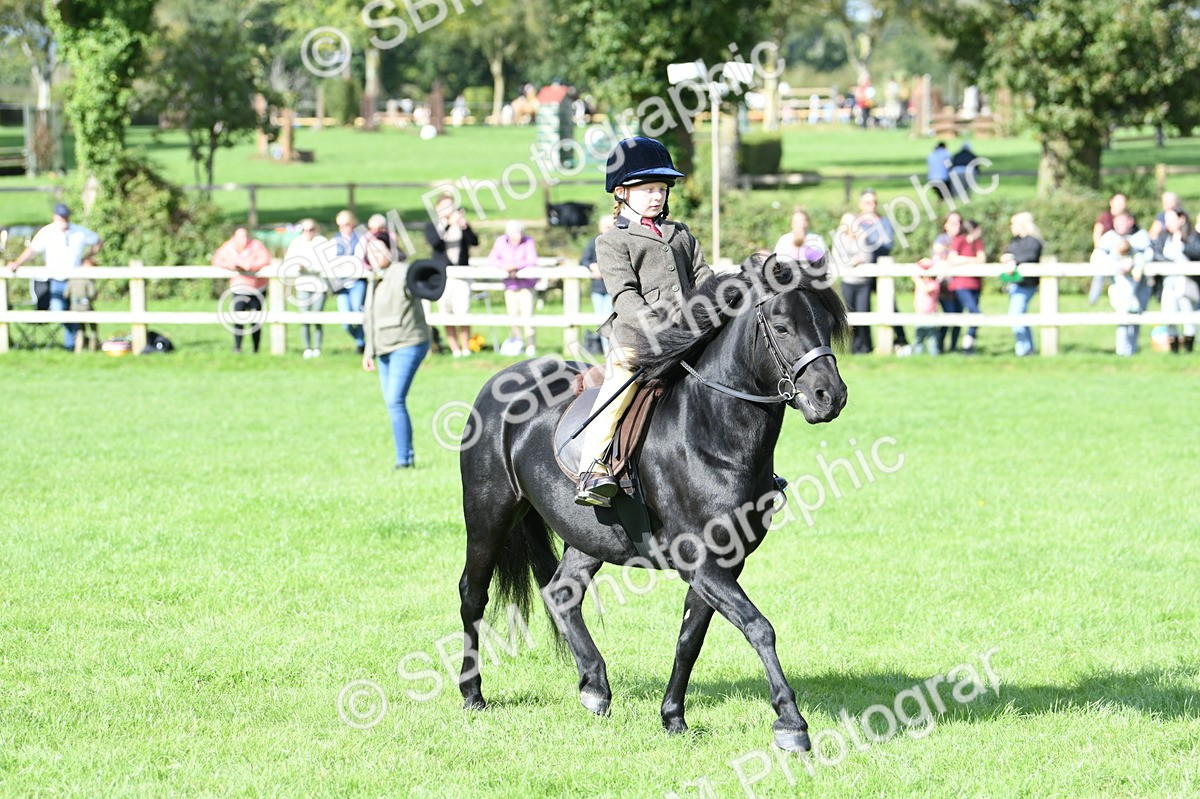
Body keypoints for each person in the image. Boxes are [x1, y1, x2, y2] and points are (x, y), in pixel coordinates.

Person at [575, 136, 713, 506]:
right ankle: (593, 467)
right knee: (617, 387)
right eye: (648, 189)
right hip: (639, 338)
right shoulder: (612, 241)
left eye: (661, 189)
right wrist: (661, 329)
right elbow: (625, 296)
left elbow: (703, 279)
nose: (657, 197)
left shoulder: (680, 233)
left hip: (690, 335)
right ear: (622, 192)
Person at [362, 242, 431, 469]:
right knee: (392, 402)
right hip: (382, 348)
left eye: (379, 249)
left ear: (391, 250)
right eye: (370, 251)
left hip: (408, 343)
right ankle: (405, 457)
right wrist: (368, 351)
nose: (375, 254)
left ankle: (404, 460)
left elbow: (420, 283)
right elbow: (369, 318)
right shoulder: (375, 278)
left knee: (395, 400)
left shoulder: (402, 272)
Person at [6, 203, 102, 350]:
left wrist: (87, 258)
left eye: (66, 216)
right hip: (55, 279)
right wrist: (17, 263)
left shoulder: (79, 231)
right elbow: (32, 250)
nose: (64, 219)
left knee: (78, 310)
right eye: (61, 216)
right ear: (55, 217)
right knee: (58, 311)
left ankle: (73, 346)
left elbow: (97, 241)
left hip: (75, 280)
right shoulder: (47, 232)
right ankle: (76, 340)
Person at [854, 189, 909, 353]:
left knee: (890, 304)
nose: (872, 206)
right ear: (860, 205)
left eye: (874, 202)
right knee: (862, 307)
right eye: (868, 202)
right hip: (863, 270)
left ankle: (902, 340)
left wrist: (869, 238)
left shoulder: (883, 221)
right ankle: (863, 346)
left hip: (881, 266)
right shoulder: (855, 222)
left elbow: (888, 243)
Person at [425, 193, 479, 358]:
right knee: (446, 312)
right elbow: (435, 243)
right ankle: (454, 349)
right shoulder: (433, 226)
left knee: (463, 311)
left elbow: (474, 242)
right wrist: (448, 224)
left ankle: (465, 348)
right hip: (443, 275)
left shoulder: (460, 224)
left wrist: (465, 227)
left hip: (461, 274)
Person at [212, 227, 272, 353]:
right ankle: (237, 348)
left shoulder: (256, 246)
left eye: (245, 236)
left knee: (255, 321)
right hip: (239, 288)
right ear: (234, 237)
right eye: (240, 237)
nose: (243, 239)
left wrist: (250, 267)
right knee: (238, 319)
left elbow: (265, 259)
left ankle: (256, 349)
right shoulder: (228, 247)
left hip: (257, 288)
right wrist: (230, 266)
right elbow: (216, 260)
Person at [488, 220, 539, 356]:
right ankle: (517, 344)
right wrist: (505, 265)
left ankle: (530, 345)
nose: (517, 239)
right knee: (513, 316)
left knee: (527, 315)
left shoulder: (528, 241)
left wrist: (515, 265)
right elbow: (492, 259)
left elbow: (532, 260)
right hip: (510, 285)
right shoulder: (501, 241)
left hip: (526, 284)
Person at [1152, 207, 1200, 353]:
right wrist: (1171, 264)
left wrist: (1182, 244)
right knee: (1169, 315)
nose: (1168, 223)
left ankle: (1188, 350)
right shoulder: (1164, 237)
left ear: (1181, 219)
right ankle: (1174, 351)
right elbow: (1156, 254)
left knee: (1187, 315)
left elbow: (1197, 252)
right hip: (1169, 282)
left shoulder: (1192, 236)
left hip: (1186, 283)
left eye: (1171, 219)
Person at [998, 212, 1043, 357]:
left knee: (1015, 316)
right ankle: (1027, 348)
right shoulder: (1015, 241)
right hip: (1015, 284)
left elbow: (1029, 256)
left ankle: (1022, 350)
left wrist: (1013, 259)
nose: (1011, 227)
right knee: (1020, 315)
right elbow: (1007, 254)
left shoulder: (1033, 241)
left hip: (1026, 284)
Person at [284, 219, 330, 358]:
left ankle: (317, 348)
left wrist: (308, 267)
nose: (308, 233)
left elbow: (325, 264)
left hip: (319, 285)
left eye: (311, 229)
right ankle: (307, 347)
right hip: (302, 284)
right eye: (304, 230)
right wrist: (298, 267)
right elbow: (288, 262)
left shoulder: (322, 242)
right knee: (304, 317)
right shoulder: (296, 242)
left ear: (316, 229)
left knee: (316, 317)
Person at [942, 212, 986, 353]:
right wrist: (972, 260)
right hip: (961, 284)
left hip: (975, 284)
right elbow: (953, 258)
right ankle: (964, 342)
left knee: (969, 314)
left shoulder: (977, 243)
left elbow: (982, 259)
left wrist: (965, 261)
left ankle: (964, 344)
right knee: (972, 313)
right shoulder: (960, 240)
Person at [833, 212, 873, 354]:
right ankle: (853, 348)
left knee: (864, 312)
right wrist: (853, 261)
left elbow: (867, 256)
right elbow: (838, 258)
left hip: (863, 281)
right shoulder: (839, 237)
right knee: (850, 315)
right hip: (848, 280)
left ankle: (865, 346)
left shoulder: (863, 236)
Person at [1089, 193, 1136, 304]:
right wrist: (1099, 250)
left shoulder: (1128, 216)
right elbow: (1098, 232)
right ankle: (1093, 299)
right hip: (1107, 252)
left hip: (1123, 253)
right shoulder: (1105, 217)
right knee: (1099, 276)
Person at [330, 210, 366, 353]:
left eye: (346, 224)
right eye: (340, 225)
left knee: (358, 311)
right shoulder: (334, 240)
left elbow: (359, 260)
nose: (343, 228)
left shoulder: (361, 238)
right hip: (342, 284)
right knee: (345, 320)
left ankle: (361, 344)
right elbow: (332, 261)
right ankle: (361, 340)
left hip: (357, 282)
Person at [581, 215, 616, 355]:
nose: (608, 229)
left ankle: (609, 348)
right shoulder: (593, 242)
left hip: (611, 288)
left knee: (608, 317)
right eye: (606, 226)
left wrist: (604, 268)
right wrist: (592, 266)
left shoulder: (617, 242)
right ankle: (604, 347)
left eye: (610, 226)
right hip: (597, 288)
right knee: (599, 318)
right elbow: (583, 260)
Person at [912, 249, 942, 355]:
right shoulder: (922, 281)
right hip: (919, 313)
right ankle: (918, 355)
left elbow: (925, 289)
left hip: (931, 313)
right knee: (919, 337)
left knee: (932, 337)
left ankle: (934, 354)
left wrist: (916, 279)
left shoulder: (934, 283)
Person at [68, 257, 99, 353]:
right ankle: (93, 347)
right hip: (86, 307)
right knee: (93, 326)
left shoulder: (72, 279)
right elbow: (92, 294)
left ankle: (78, 348)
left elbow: (66, 294)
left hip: (74, 308)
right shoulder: (88, 281)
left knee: (80, 328)